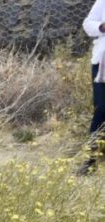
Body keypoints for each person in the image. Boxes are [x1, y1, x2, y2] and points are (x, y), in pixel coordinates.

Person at [81, 0, 105, 175]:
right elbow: (88, 24)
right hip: (103, 63)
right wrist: (102, 27)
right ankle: (91, 161)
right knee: (101, 110)